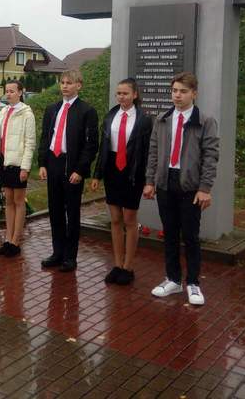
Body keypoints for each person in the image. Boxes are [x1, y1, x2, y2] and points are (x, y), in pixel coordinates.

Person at [144, 72, 219, 306]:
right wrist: (150, 181)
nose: (177, 95)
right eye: (174, 90)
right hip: (166, 182)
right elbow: (153, 152)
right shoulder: (162, 119)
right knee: (169, 233)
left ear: (194, 94)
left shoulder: (205, 121)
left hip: (190, 185)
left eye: (183, 91)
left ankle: (193, 282)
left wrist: (205, 187)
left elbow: (210, 156)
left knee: (190, 235)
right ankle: (173, 279)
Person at [90, 78, 153, 285]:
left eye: (125, 93)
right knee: (115, 219)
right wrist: (97, 175)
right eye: (118, 93)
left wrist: (149, 180)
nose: (121, 97)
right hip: (112, 171)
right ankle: (117, 264)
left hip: (132, 172)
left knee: (129, 219)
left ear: (135, 95)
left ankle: (128, 266)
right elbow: (104, 147)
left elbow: (148, 152)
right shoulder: (111, 116)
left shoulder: (144, 119)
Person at [38, 70, 99, 272]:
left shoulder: (87, 111)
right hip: (53, 163)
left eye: (69, 83)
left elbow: (91, 145)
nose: (64, 86)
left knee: (72, 213)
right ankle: (57, 252)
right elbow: (45, 138)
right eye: (62, 82)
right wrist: (42, 163)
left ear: (78, 85)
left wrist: (80, 170)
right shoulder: (52, 109)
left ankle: (70, 257)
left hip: (72, 166)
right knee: (55, 211)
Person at [0, 80, 36, 257]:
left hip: (18, 163)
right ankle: (8, 239)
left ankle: (16, 240)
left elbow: (30, 143)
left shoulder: (26, 114)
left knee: (18, 200)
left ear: (20, 92)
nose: (8, 94)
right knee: (8, 200)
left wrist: (25, 167)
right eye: (7, 91)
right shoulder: (2, 113)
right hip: (4, 162)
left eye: (12, 91)